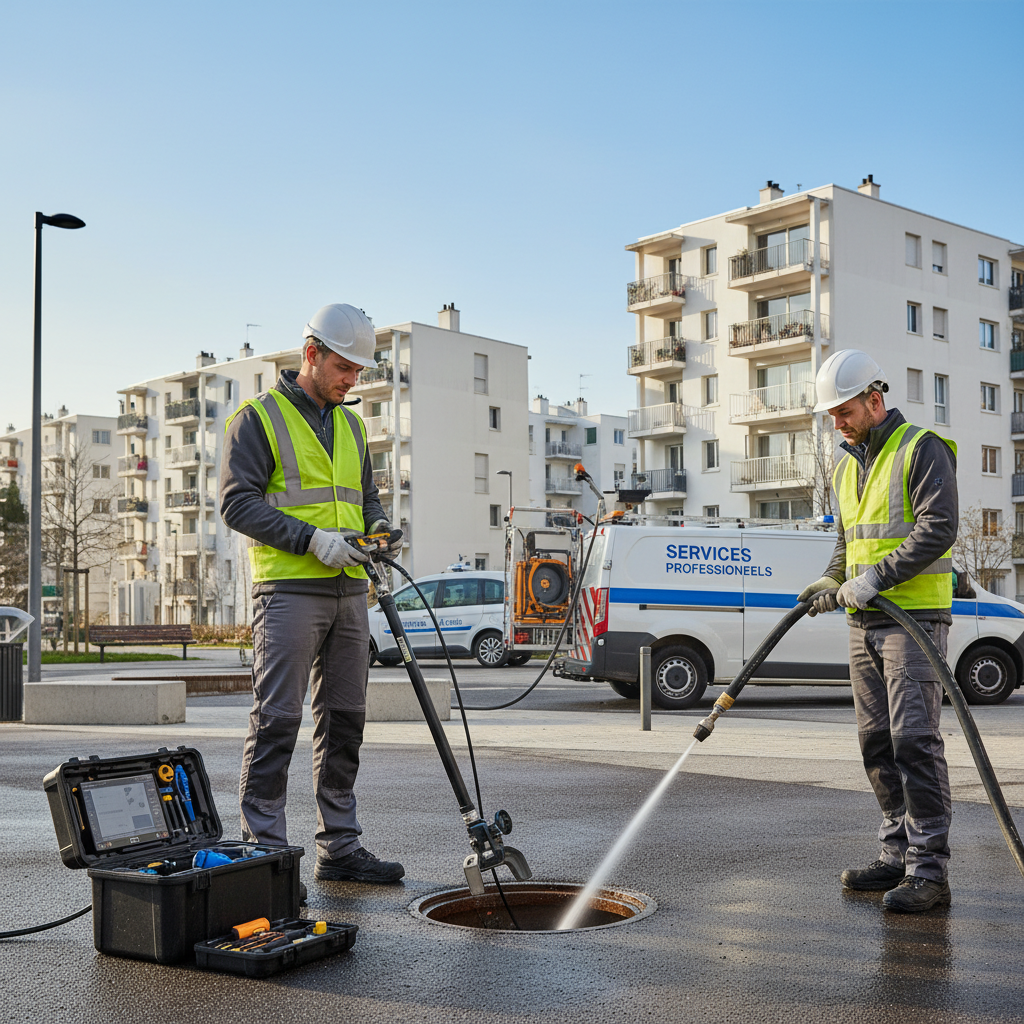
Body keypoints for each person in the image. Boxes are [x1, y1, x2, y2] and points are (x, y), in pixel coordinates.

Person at [220, 302, 405, 885]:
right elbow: (236, 503)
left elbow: (366, 498)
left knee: (346, 719)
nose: (353, 381)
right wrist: (311, 540)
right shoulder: (258, 418)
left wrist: (379, 532)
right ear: (311, 354)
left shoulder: (352, 426)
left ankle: (340, 845)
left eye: (359, 371)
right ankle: (265, 855)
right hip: (289, 591)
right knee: (277, 720)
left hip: (352, 590)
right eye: (344, 368)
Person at [797, 348, 957, 913]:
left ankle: (929, 870)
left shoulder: (921, 449)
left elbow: (938, 528)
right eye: (831, 415)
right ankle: (896, 856)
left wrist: (873, 580)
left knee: (915, 740)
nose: (836, 423)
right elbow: (847, 543)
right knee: (876, 741)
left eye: (843, 411)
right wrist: (829, 579)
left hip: (913, 621)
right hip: (863, 621)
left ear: (874, 398)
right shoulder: (844, 465)